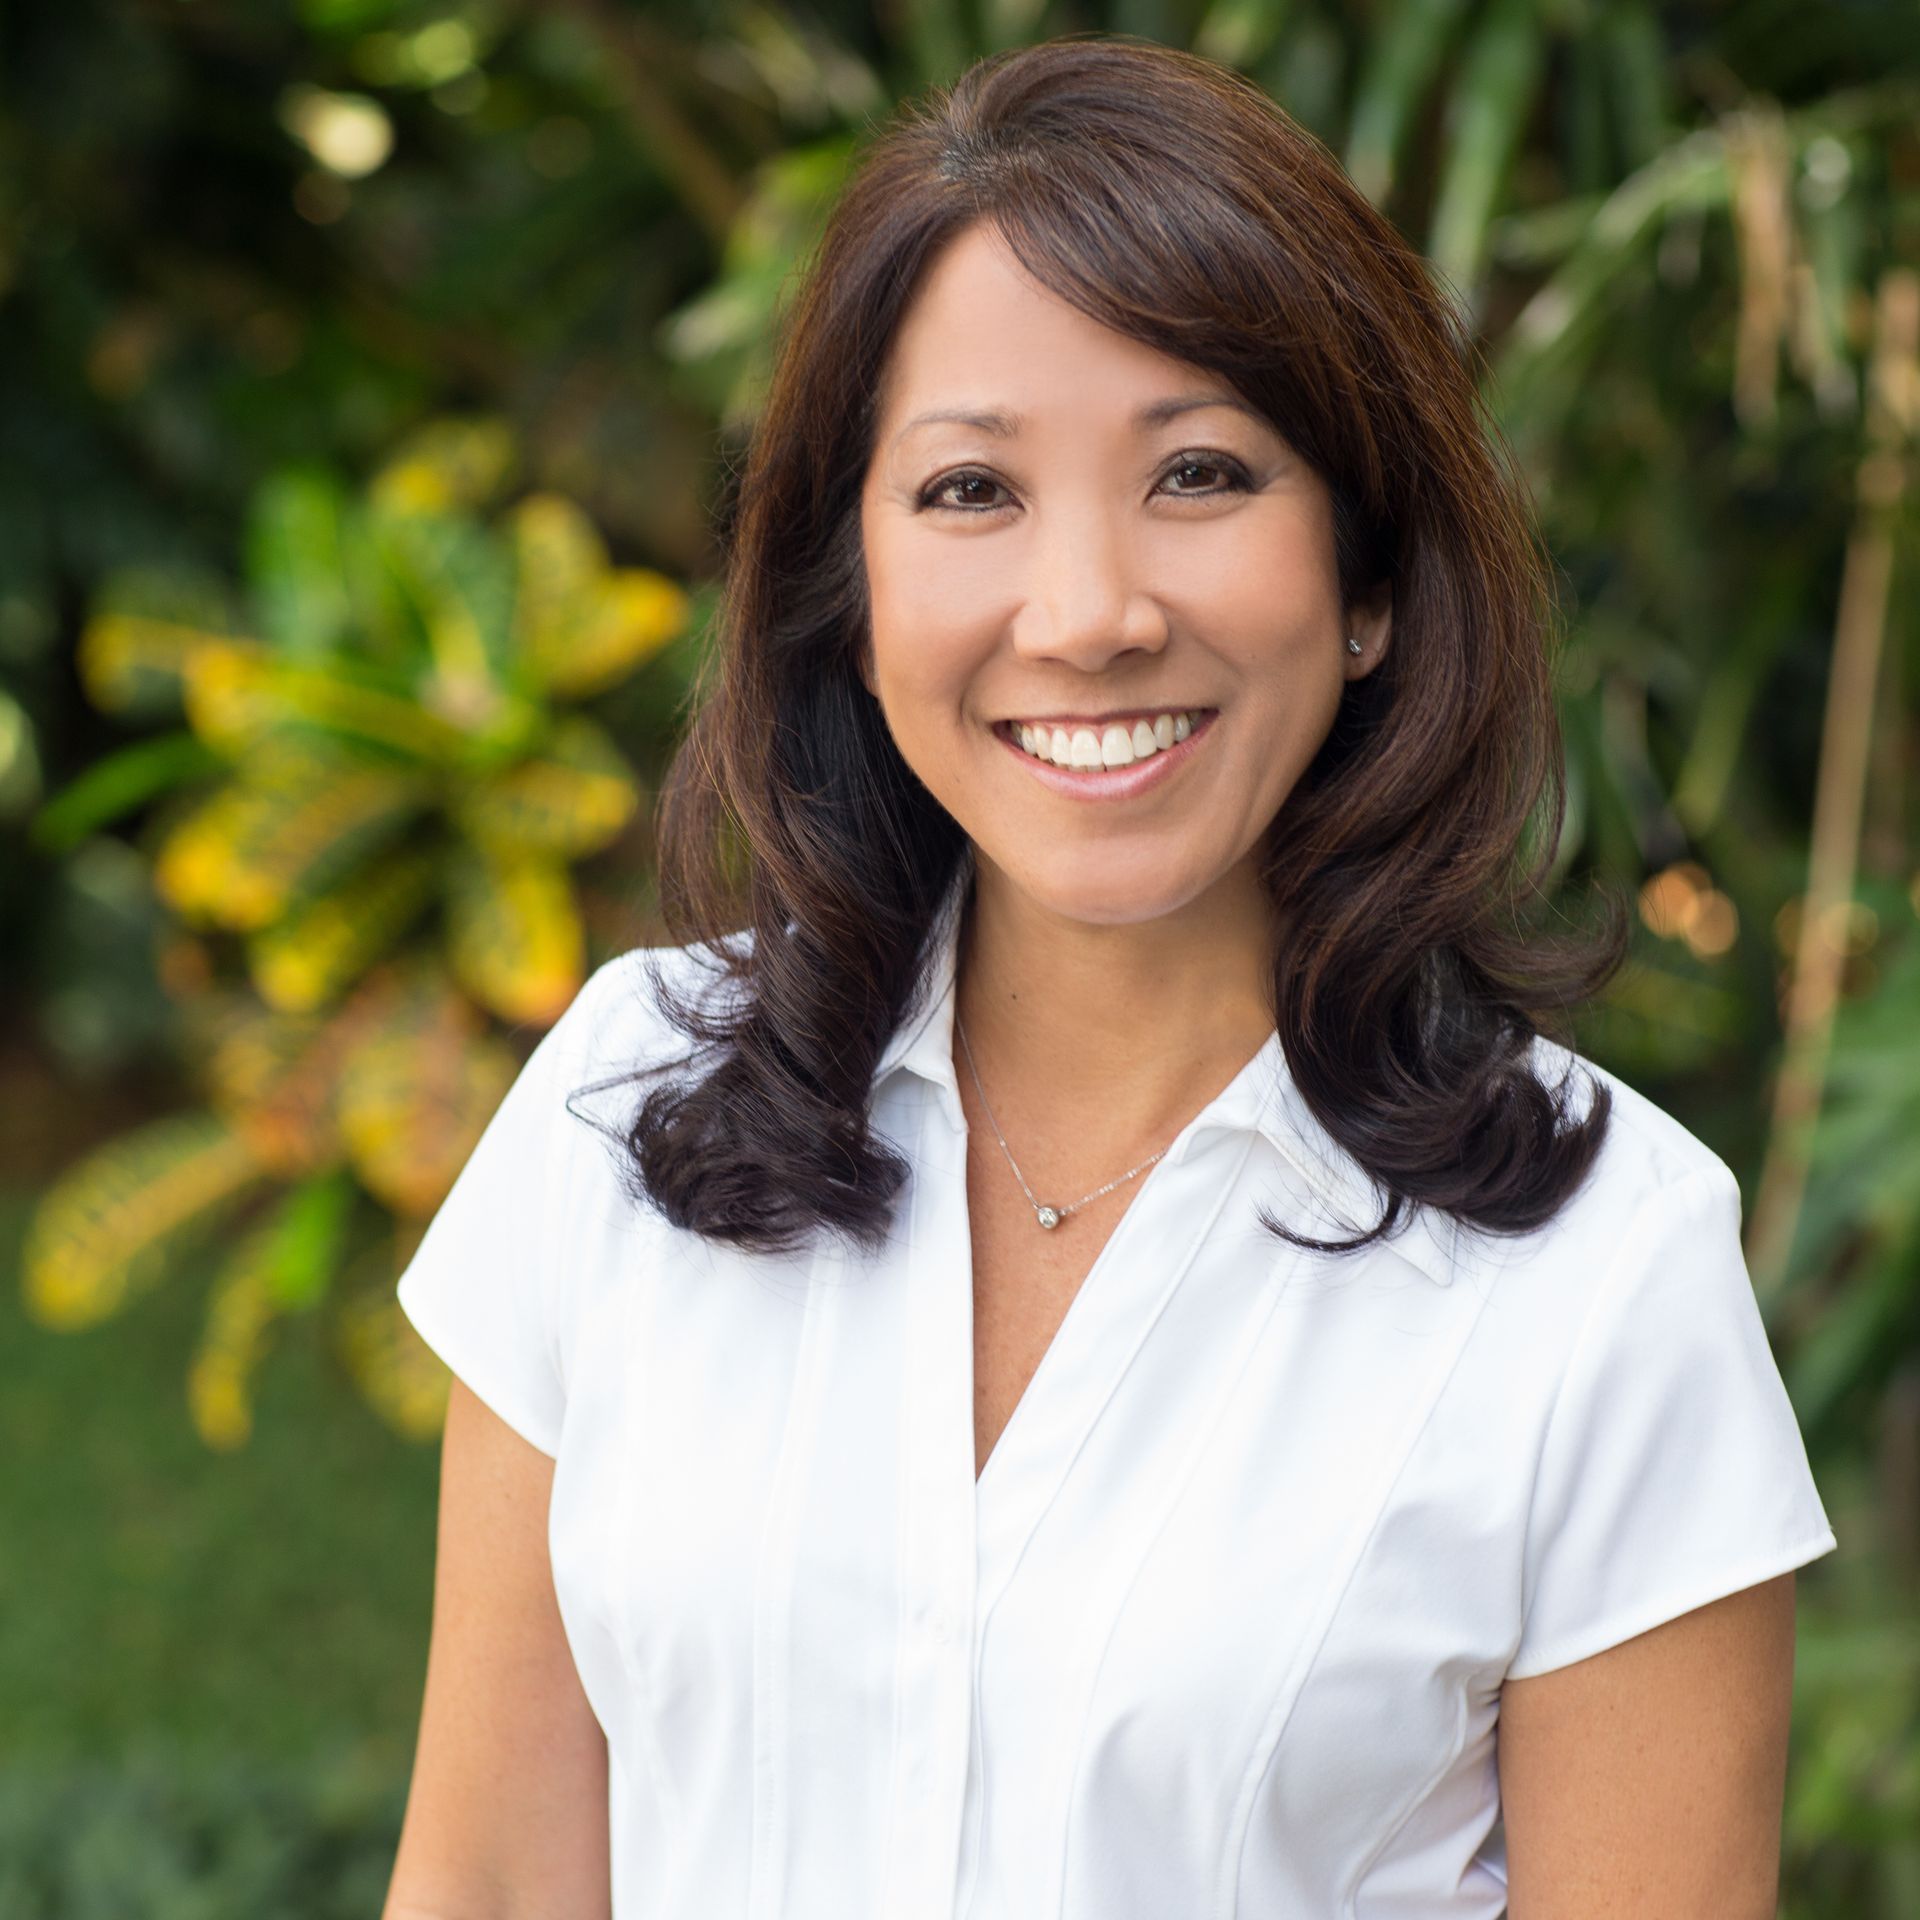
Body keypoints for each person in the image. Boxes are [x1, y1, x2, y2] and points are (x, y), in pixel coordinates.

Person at [381, 34, 1836, 1920]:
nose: (1086, 616)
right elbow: (489, 1884)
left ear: (1371, 575)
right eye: (973, 493)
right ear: (856, 581)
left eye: (1202, 473)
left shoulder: (1600, 1265)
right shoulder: (621, 1116)